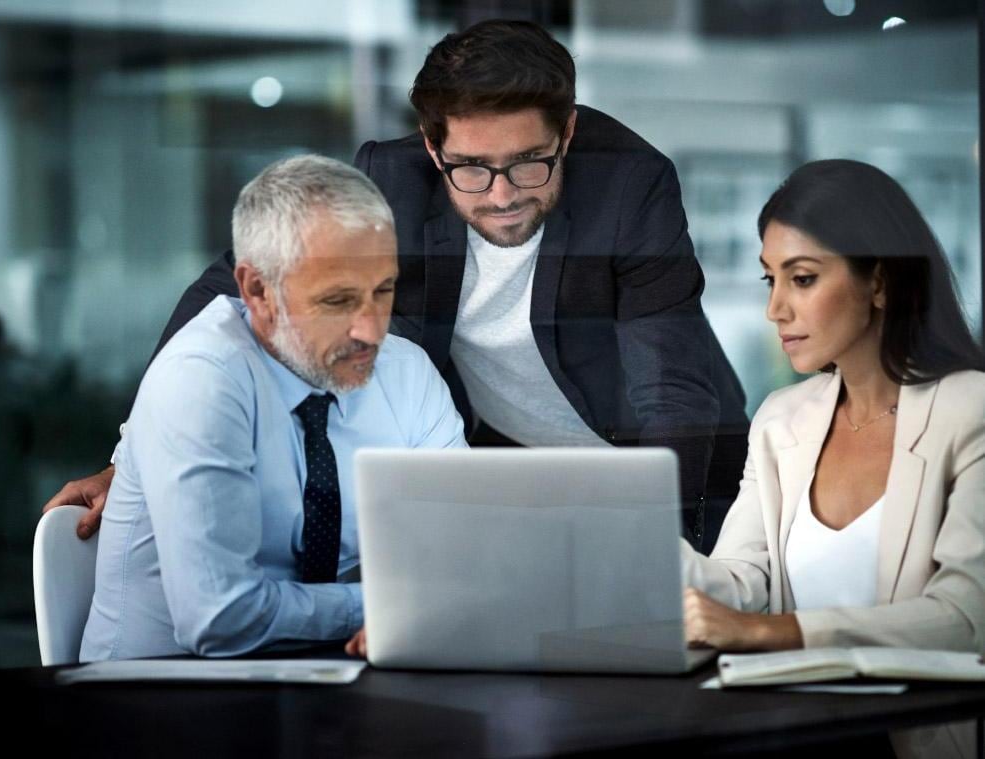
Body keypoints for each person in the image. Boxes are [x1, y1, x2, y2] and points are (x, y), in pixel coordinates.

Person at [46, 19, 748, 552]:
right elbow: (228, 292)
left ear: (565, 132)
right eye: (471, 167)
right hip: (510, 472)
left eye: (530, 163)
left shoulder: (630, 183)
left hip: (661, 473)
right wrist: (129, 460)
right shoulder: (390, 182)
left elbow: (673, 390)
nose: (501, 195)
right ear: (432, 143)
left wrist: (665, 547)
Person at [79, 156, 465, 661]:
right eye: (338, 301)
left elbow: (463, 563)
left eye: (383, 290)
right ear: (257, 290)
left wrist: (440, 602)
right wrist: (387, 606)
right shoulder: (201, 378)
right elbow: (220, 619)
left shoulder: (406, 372)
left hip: (328, 688)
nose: (372, 330)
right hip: (161, 700)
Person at [678, 159, 985, 654]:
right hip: (794, 723)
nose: (775, 309)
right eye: (769, 280)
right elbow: (741, 580)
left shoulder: (971, 410)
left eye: (801, 279)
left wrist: (775, 632)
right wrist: (638, 543)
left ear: (880, 282)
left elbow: (966, 619)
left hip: (912, 729)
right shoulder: (779, 420)